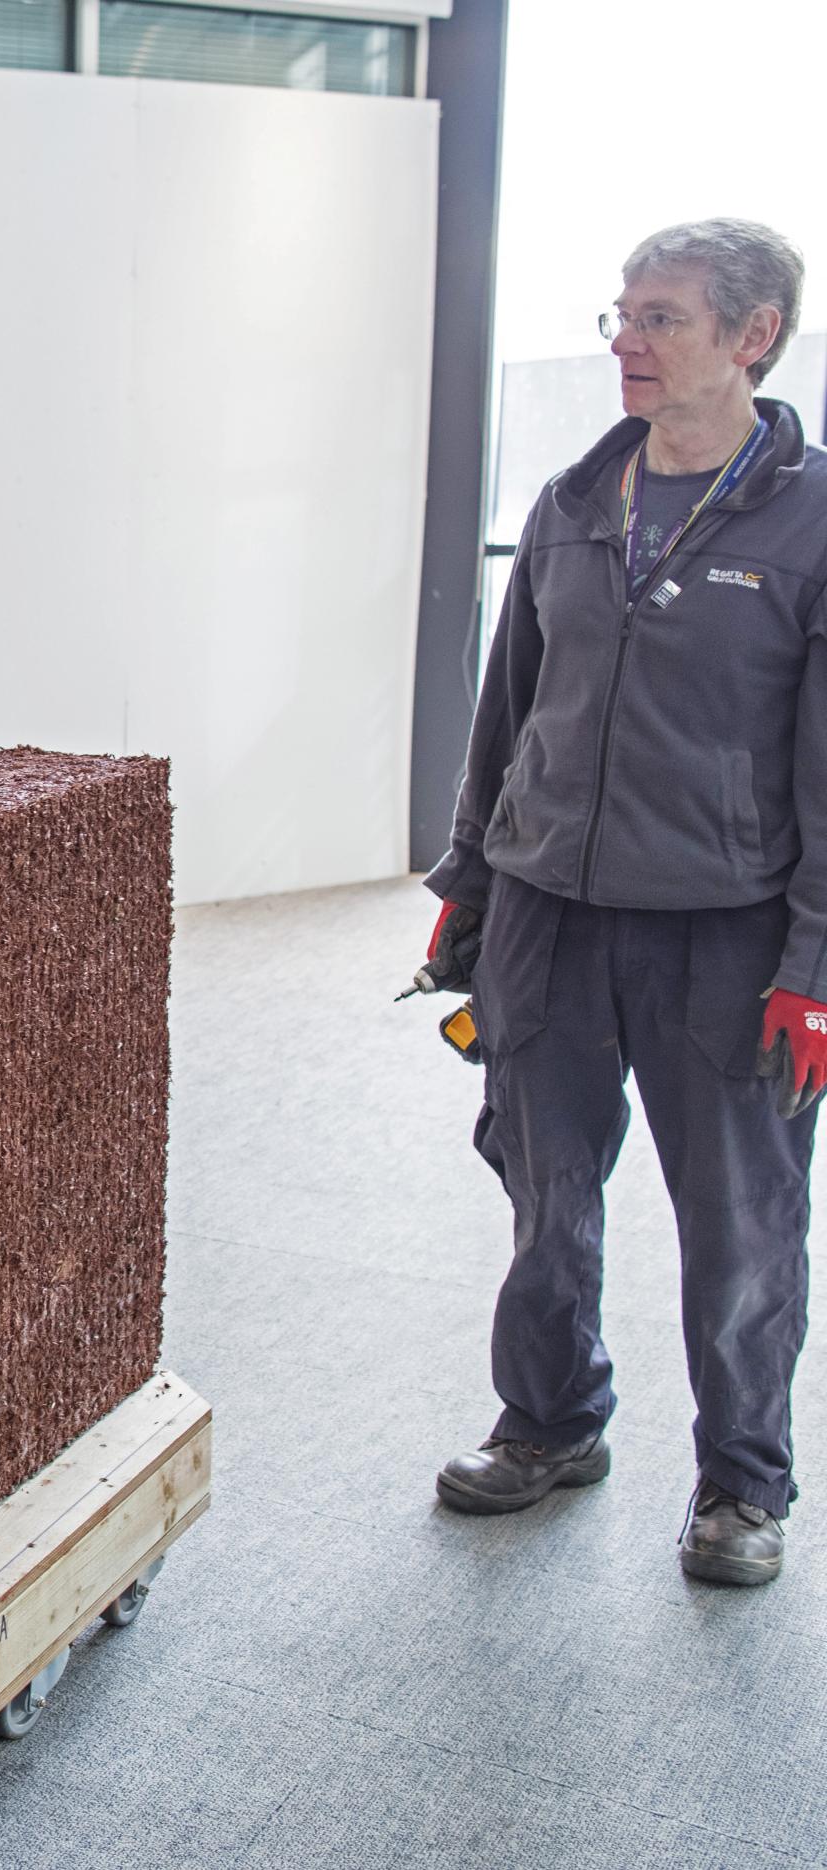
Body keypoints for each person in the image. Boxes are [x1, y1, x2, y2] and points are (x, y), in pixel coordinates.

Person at [424, 218, 827, 1587]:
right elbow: (510, 707)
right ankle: (549, 1419)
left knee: (740, 1219)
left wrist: (816, 959)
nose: (625, 344)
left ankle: (742, 1483)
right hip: (549, 908)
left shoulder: (813, 521)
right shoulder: (574, 500)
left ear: (752, 334)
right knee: (544, 1187)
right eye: (619, 316)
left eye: (658, 319)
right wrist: (470, 879)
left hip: (726, 930)